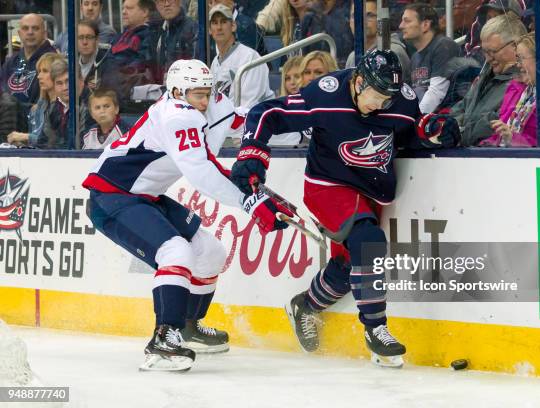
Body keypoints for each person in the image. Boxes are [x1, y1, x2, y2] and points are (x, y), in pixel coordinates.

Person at [230, 49, 460, 368]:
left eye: (387, 99)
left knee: (351, 263)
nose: (380, 105)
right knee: (369, 241)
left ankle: (306, 306)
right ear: (358, 81)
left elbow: (413, 132)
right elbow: (266, 113)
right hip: (328, 186)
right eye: (376, 96)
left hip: (371, 190)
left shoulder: (401, 101)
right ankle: (377, 330)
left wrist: (435, 131)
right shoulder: (325, 95)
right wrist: (252, 154)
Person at [82, 59, 291, 371]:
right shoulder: (175, 117)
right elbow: (202, 172)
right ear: (178, 91)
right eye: (197, 94)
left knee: (210, 253)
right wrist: (251, 201)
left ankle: (188, 326)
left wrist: (295, 119)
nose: (204, 100)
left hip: (146, 196)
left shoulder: (213, 102)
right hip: (111, 196)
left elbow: (246, 121)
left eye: (207, 92)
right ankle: (164, 339)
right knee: (176, 252)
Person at [451, 14, 526, 146]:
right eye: (485, 52)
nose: (488, 58)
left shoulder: (523, 84)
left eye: (493, 51)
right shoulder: (485, 76)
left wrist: (457, 134)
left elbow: (492, 125)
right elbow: (461, 108)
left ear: (515, 46)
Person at [209, 4, 274, 110]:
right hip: (227, 121)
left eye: (224, 22)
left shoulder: (250, 57)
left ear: (233, 26)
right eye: (215, 23)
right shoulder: (215, 62)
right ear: (210, 30)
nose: (219, 27)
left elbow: (248, 106)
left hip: (254, 120)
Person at [399, 3, 462, 114]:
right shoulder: (415, 57)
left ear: (425, 25)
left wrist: (414, 120)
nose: (401, 26)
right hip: (424, 117)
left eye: (407, 21)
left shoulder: (444, 46)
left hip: (443, 120)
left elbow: (437, 93)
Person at [0, 14, 56, 131]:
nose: (30, 32)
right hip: (8, 120)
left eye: (35, 28)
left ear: (44, 33)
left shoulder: (52, 60)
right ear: (19, 34)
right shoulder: (12, 61)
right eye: (25, 28)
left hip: (36, 125)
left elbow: (48, 104)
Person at [99, 0, 156, 104]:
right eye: (123, 8)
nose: (124, 12)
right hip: (109, 95)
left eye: (129, 8)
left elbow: (139, 67)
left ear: (145, 12)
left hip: (129, 100)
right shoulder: (119, 37)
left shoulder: (150, 37)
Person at [345, 0, 411, 82]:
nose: (361, 20)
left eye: (369, 15)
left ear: (381, 21)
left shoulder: (393, 52)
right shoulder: (352, 57)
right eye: (355, 15)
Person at [6, 52, 63, 147]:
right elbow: (36, 143)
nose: (39, 76)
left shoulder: (63, 108)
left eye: (45, 71)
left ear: (57, 74)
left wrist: (24, 137)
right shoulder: (37, 108)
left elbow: (51, 141)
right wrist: (22, 143)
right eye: (39, 71)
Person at [151, 0, 197, 84]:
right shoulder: (158, 31)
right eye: (161, 1)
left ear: (179, 1)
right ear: (156, 5)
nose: (167, 4)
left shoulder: (192, 29)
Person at [77, 20, 111, 91]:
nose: (85, 42)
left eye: (89, 37)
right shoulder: (70, 62)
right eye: (80, 37)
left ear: (97, 40)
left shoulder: (108, 63)